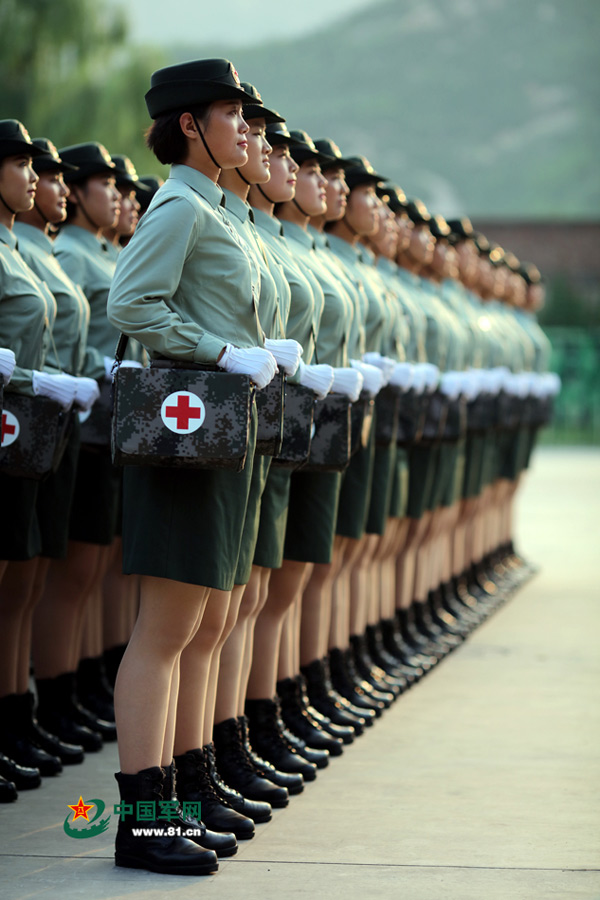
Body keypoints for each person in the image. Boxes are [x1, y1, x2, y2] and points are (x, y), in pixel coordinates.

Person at [107, 58, 280, 875]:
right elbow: (132, 302)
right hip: (185, 434)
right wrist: (219, 350)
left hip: (222, 433)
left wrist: (257, 355)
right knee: (167, 629)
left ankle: (184, 792)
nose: (246, 128)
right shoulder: (179, 204)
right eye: (232, 115)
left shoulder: (219, 211)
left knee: (206, 622)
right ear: (189, 126)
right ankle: (143, 820)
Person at [0, 120, 78, 801]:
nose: (33, 177)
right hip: (7, 426)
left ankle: (15, 720)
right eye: (21, 165)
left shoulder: (21, 250)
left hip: (28, 433)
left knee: (21, 583)